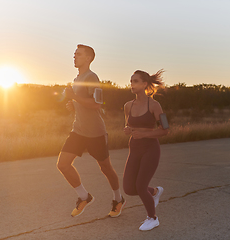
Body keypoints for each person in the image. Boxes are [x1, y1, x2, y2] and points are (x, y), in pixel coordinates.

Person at [57, 44, 125, 218]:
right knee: (63, 164)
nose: (74, 57)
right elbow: (83, 101)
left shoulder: (92, 77)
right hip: (78, 130)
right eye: (74, 54)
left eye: (78, 54)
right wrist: (74, 104)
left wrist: (73, 97)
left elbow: (97, 104)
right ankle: (84, 196)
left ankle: (118, 199)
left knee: (106, 168)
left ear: (88, 58)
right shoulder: (77, 78)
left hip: (95, 132)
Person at [123, 69, 169, 231]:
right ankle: (155, 192)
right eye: (131, 81)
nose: (132, 84)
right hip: (134, 149)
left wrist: (143, 134)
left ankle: (152, 218)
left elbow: (165, 129)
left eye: (135, 81)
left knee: (141, 186)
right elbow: (128, 125)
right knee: (129, 188)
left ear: (144, 84)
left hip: (150, 149)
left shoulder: (155, 105)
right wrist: (128, 130)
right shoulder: (128, 106)